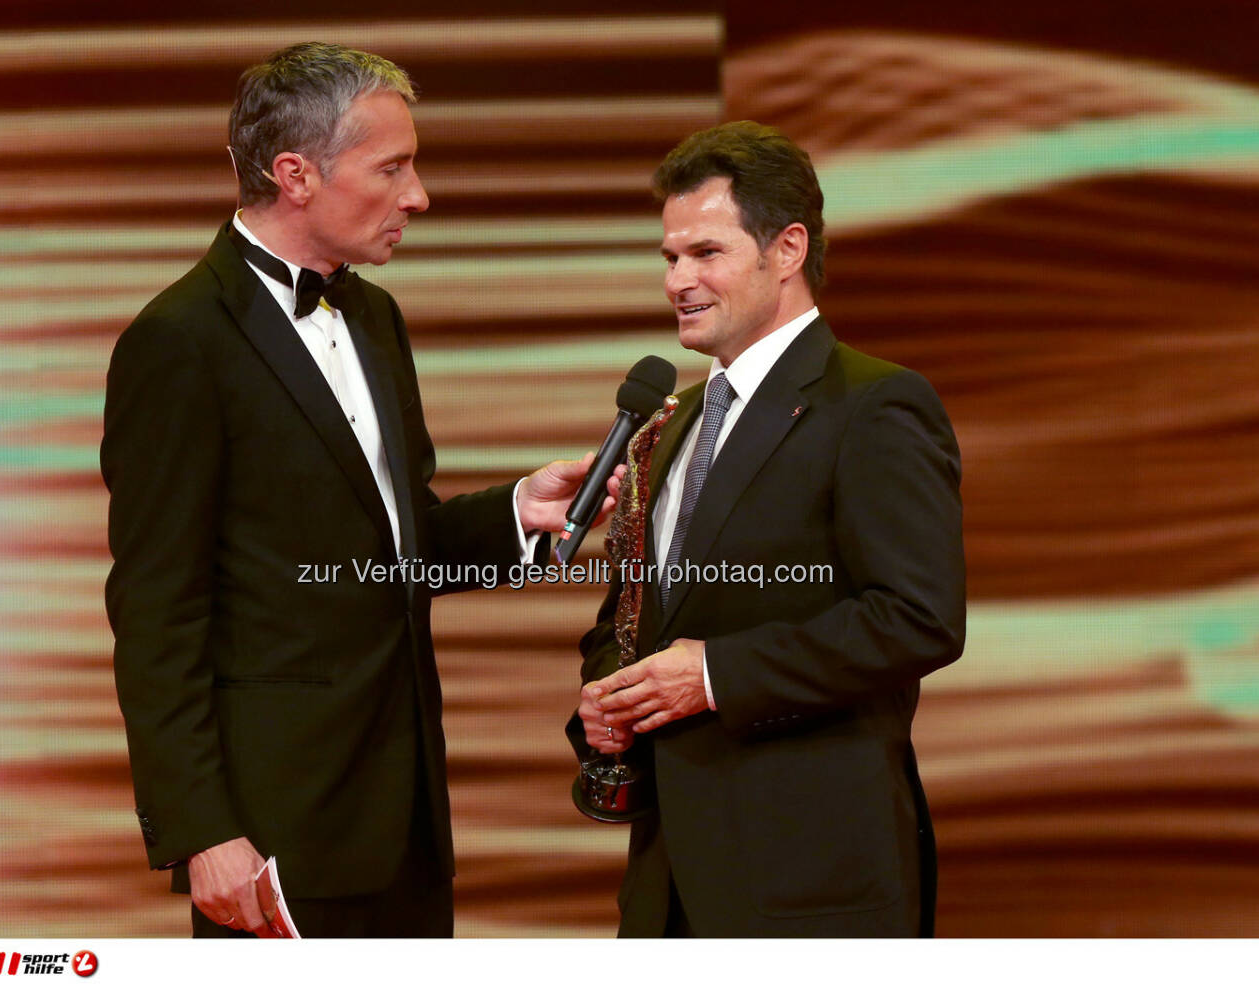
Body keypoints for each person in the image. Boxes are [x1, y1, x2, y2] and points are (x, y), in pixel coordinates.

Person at [103, 42, 605, 938]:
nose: (419, 195)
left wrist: (520, 512)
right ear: (295, 174)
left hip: (407, 817)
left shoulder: (374, 315)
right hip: (274, 835)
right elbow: (156, 609)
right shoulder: (178, 342)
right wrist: (203, 831)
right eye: (394, 167)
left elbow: (395, 551)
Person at [572, 121, 966, 936]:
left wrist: (714, 675)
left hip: (810, 884)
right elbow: (633, 618)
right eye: (670, 258)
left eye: (705, 254)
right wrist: (608, 696)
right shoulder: (669, 425)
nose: (679, 279)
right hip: (668, 887)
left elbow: (918, 616)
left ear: (786, 250)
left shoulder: (875, 404)